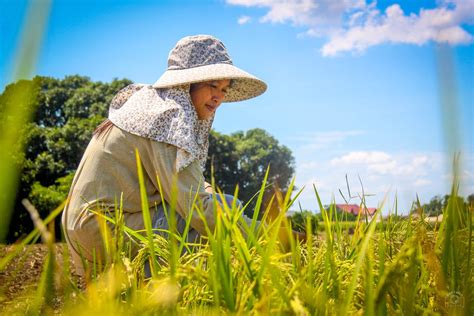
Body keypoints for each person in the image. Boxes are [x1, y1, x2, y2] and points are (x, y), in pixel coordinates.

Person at [61, 35, 303, 276]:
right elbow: (197, 210)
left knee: (224, 206)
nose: (218, 98)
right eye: (212, 86)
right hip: (102, 230)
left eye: (223, 89)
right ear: (188, 84)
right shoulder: (165, 120)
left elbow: (190, 183)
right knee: (207, 224)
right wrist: (273, 235)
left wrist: (217, 198)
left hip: (91, 226)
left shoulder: (153, 109)